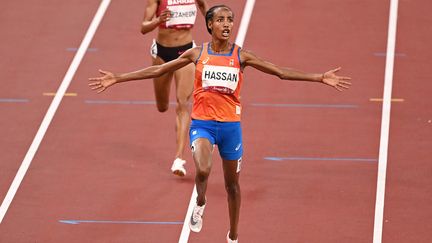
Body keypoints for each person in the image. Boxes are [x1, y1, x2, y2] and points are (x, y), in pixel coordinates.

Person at [89, 5, 351, 243]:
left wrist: (319, 77)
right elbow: (160, 70)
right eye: (221, 20)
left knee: (232, 187)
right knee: (202, 169)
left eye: (230, 20)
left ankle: (233, 235)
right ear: (210, 25)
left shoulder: (241, 56)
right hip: (202, 124)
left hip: (230, 128)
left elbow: (280, 72)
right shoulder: (197, 53)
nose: (227, 24)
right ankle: (200, 201)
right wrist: (118, 77)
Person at [140, 0, 208, 177]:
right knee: (162, 106)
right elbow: (144, 27)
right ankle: (178, 156)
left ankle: (179, 158)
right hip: (162, 53)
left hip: (185, 52)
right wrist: (158, 20)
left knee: (183, 104)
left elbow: (203, 6)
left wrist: (212, 24)